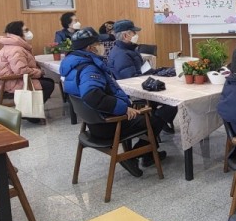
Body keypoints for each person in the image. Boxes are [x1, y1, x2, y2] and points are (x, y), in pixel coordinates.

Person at [60, 27, 166, 175]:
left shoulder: (72, 64)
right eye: (98, 43)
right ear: (90, 48)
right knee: (155, 119)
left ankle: (147, 155)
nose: (101, 46)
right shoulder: (89, 69)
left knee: (146, 112)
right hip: (109, 124)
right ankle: (132, 156)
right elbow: (92, 95)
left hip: (92, 123)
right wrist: (123, 108)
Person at [107, 19, 176, 133]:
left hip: (142, 81)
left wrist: (159, 71)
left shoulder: (128, 49)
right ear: (125, 35)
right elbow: (132, 80)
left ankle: (159, 119)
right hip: (133, 91)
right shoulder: (121, 55)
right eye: (134, 32)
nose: (136, 35)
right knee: (173, 101)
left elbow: (143, 69)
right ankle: (156, 121)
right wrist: (157, 77)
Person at [0, 21, 56, 123]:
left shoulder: (13, 46)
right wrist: (39, 72)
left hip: (14, 78)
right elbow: (21, 70)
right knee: (48, 84)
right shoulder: (16, 49)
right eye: (26, 30)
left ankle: (31, 110)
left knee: (47, 81)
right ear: (18, 32)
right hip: (14, 80)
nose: (29, 32)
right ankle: (29, 113)